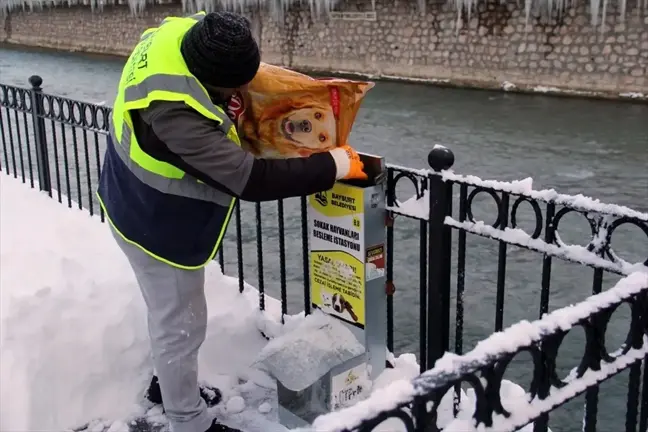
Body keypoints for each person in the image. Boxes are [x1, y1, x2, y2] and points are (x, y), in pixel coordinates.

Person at [96, 9, 367, 432]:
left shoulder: (188, 34)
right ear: (213, 79)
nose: (243, 90)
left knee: (169, 317)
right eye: (234, 87)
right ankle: (187, 419)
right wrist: (333, 165)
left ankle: (170, 389)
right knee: (180, 327)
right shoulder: (173, 116)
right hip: (152, 224)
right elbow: (251, 180)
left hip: (129, 194)